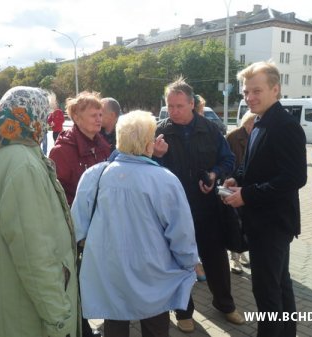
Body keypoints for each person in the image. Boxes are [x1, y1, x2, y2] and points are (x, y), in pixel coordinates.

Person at [72, 110, 198, 337]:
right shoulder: (165, 180)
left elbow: (77, 228)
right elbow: (181, 233)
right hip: (153, 273)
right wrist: (189, 263)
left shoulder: (94, 175)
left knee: (115, 325)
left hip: (108, 270)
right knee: (156, 326)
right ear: (149, 143)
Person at [0, 86, 80, 337]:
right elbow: (34, 253)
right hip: (27, 313)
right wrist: (59, 319)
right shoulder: (22, 163)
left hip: (5, 299)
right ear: (33, 117)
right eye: (45, 115)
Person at [223, 61, 307, 337]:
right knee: (280, 286)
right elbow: (256, 165)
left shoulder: (284, 125)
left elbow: (294, 178)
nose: (250, 97)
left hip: (273, 224)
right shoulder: (260, 121)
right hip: (262, 222)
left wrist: (247, 194)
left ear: (275, 89)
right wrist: (238, 178)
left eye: (256, 91)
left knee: (267, 292)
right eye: (246, 92)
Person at [153, 77, 243, 333]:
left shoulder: (211, 129)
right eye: (170, 106)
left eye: (179, 106)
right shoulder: (160, 131)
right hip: (174, 211)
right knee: (180, 262)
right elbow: (148, 172)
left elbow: (228, 161)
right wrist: (156, 157)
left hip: (207, 209)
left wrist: (215, 174)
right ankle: (183, 311)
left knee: (215, 259)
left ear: (192, 104)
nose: (173, 111)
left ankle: (225, 305)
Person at [50, 91, 110, 337]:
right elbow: (59, 195)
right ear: (75, 116)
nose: (99, 119)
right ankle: (81, 328)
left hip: (102, 225)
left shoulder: (102, 144)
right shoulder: (62, 150)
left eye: (101, 114)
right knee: (78, 282)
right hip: (79, 230)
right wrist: (82, 223)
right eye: (93, 115)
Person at [225, 111, 257, 274]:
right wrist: (231, 179)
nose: (255, 126)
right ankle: (234, 258)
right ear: (246, 123)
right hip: (234, 186)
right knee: (236, 224)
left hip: (249, 188)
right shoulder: (233, 137)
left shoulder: (257, 135)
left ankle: (243, 253)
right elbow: (228, 160)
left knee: (245, 223)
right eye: (253, 123)